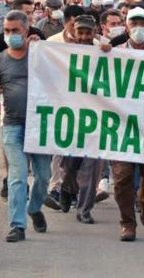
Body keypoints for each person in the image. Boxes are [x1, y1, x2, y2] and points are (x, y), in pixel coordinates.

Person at [0, 10, 50, 243]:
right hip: (12, 125)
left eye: (15, 31)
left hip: (38, 125)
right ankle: (17, 226)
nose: (10, 35)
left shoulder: (40, 56)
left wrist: (41, 47)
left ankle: (33, 208)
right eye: (7, 31)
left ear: (26, 31)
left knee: (43, 176)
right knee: (17, 176)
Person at [105, 7, 144, 241]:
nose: (138, 28)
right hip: (122, 126)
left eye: (143, 23)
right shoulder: (114, 52)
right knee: (121, 176)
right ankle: (127, 223)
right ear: (126, 25)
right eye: (134, 23)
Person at [57, 15, 104, 226]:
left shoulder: (103, 51)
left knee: (91, 167)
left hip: (97, 118)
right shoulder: (62, 53)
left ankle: (84, 209)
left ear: (94, 33)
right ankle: (67, 188)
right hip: (71, 118)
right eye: (80, 32)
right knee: (70, 164)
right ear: (74, 32)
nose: (84, 37)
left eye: (88, 32)